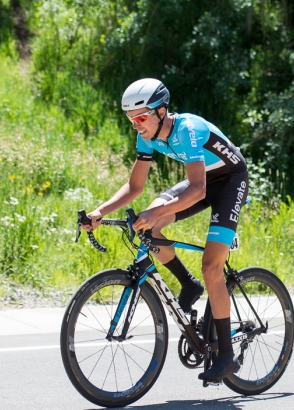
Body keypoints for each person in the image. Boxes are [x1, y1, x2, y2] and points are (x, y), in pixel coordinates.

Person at [82, 78, 248, 382]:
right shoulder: (147, 137)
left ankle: (226, 354)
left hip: (230, 181)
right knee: (153, 225)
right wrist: (100, 211)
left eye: (141, 117)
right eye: (131, 119)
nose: (136, 125)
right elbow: (135, 186)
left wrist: (155, 210)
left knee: (212, 266)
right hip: (205, 181)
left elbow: (197, 190)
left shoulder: (187, 130)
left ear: (161, 111)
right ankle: (188, 285)